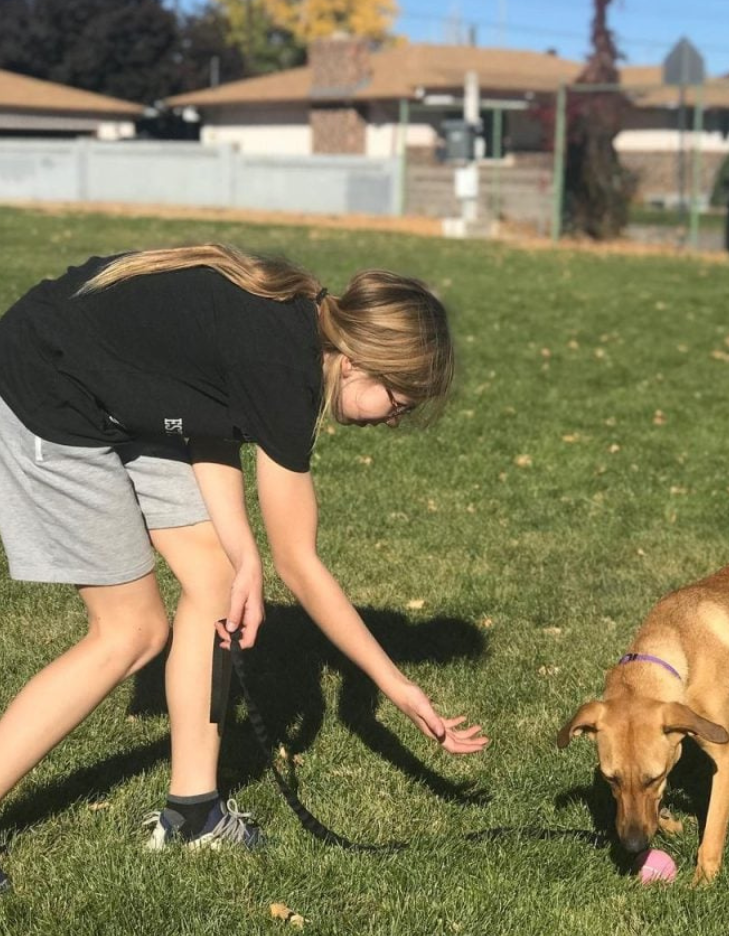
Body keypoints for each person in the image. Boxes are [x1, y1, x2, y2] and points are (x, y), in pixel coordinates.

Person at [0, 244, 489, 894]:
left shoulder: (297, 322)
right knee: (130, 632)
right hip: (48, 386)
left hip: (117, 385)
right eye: (400, 397)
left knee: (215, 586)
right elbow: (302, 564)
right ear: (358, 362)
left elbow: (206, 414)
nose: (398, 416)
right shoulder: (286, 367)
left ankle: (193, 812)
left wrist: (242, 553)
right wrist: (394, 684)